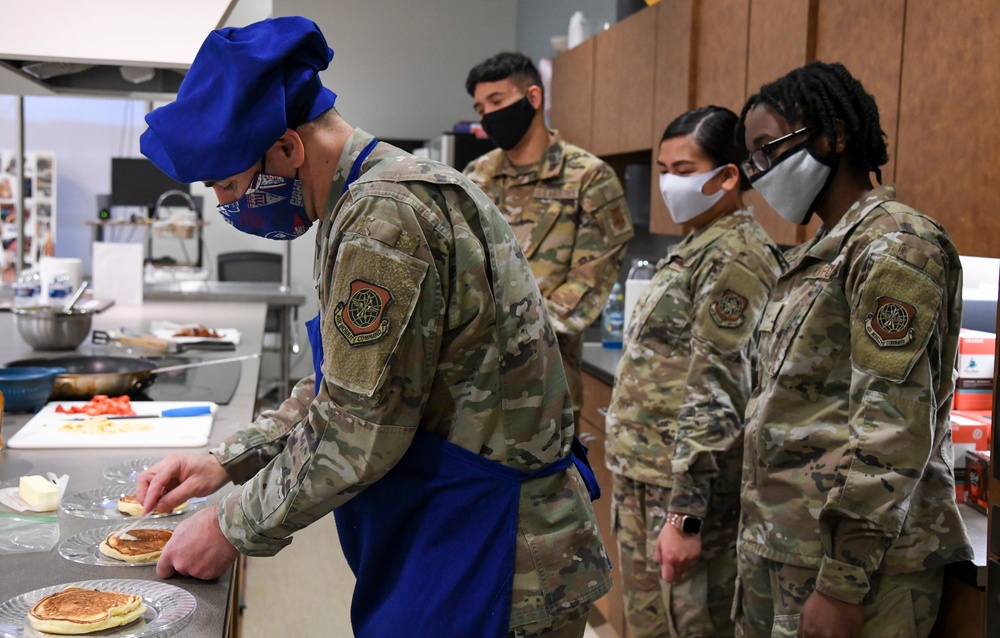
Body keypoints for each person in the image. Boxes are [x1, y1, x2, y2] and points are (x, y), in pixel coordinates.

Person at [134, 17, 611, 638]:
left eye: (230, 184)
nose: (228, 206)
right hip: (461, 527)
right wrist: (229, 461)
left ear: (287, 148)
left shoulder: (383, 218)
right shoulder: (360, 198)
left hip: (497, 552)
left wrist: (230, 525)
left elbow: (358, 433)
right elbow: (347, 382)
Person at [734, 61, 974, 638]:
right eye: (752, 158)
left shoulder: (895, 246)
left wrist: (842, 580)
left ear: (834, 135)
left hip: (862, 570)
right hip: (788, 548)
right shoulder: (822, 252)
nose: (760, 171)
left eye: (769, 149)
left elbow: (892, 429)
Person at [604, 106, 784, 637]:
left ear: (728, 176)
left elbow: (717, 389)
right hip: (645, 478)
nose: (668, 184)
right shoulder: (695, 245)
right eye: (663, 169)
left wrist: (686, 515)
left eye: (684, 171)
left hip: (683, 492)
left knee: (689, 624)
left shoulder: (736, 257)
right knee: (649, 626)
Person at [464, 52, 634, 422]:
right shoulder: (476, 177)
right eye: (480, 108)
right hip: (471, 387)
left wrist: (511, 338)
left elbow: (590, 281)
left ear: (533, 98)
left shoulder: (589, 178)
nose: (488, 115)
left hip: (547, 383)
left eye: (497, 102)